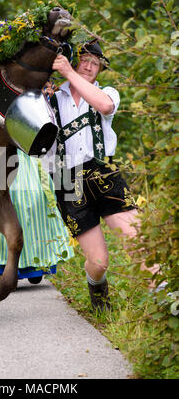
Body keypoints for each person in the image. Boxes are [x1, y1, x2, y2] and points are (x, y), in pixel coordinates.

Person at [47, 41, 140, 312]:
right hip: (66, 180)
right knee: (98, 262)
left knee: (138, 240)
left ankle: (167, 303)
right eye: (84, 59)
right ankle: (97, 289)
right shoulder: (49, 97)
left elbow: (104, 107)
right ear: (74, 59)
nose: (89, 66)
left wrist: (68, 73)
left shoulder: (106, 92)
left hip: (104, 172)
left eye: (95, 63)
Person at [0, 149, 74, 284]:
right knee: (6, 203)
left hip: (29, 151)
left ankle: (36, 265)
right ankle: (7, 266)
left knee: (36, 202)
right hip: (2, 154)